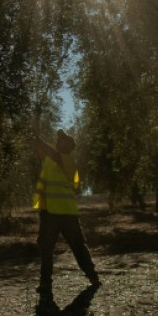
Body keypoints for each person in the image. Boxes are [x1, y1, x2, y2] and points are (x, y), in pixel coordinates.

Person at [31, 128, 100, 300]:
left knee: (77, 246)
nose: (64, 144)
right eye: (62, 141)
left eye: (67, 142)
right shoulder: (49, 160)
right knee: (46, 248)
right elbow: (40, 148)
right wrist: (36, 127)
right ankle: (45, 283)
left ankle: (93, 276)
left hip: (66, 213)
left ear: (70, 148)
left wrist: (38, 135)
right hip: (49, 212)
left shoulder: (67, 160)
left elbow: (47, 149)